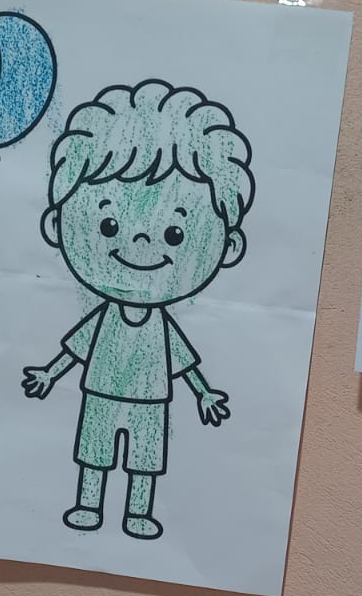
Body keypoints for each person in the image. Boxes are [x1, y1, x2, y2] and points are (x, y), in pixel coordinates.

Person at [21, 79, 251, 540]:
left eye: (174, 234)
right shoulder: (106, 317)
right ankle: (88, 504)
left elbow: (183, 362)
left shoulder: (160, 325)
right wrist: (49, 373)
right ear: (56, 224)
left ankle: (138, 512)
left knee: (145, 458)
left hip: (151, 399)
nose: (142, 241)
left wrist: (204, 393)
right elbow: (77, 348)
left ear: (228, 246)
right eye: (108, 224)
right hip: (102, 391)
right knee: (94, 452)